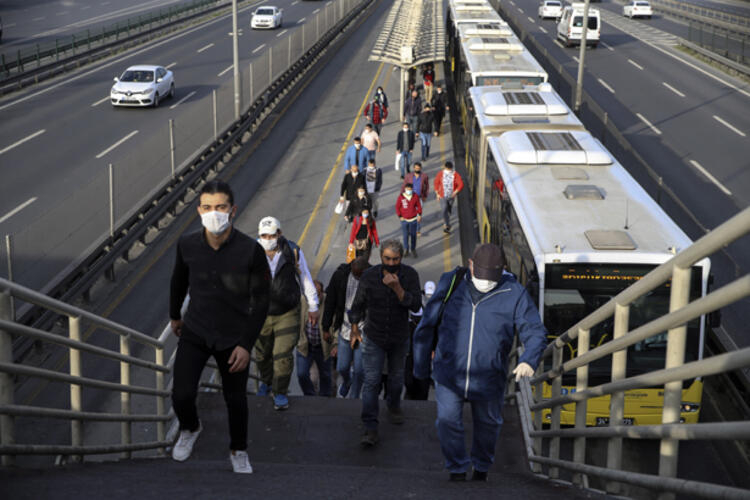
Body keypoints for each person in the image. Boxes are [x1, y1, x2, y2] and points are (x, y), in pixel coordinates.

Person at [413, 244, 547, 482]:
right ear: (470, 264)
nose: (485, 282)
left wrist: (529, 359)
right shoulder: (451, 282)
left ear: (502, 270)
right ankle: (456, 469)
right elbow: (427, 323)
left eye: (491, 278)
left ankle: (481, 467)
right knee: (447, 421)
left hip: (489, 375)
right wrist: (421, 367)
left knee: (488, 424)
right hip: (449, 372)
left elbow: (535, 331)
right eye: (481, 275)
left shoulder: (514, 292)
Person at [169, 180, 270, 474]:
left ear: (233, 210)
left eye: (221, 207)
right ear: (199, 210)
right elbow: (178, 282)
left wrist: (245, 345)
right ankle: (190, 428)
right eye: (208, 207)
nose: (214, 213)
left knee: (236, 401)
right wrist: (175, 316)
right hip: (196, 330)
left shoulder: (251, 251)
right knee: (181, 395)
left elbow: (261, 301)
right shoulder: (186, 245)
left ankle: (238, 450)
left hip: (232, 338)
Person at [349, 240, 422, 446]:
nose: (391, 263)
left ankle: (393, 404)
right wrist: (354, 328)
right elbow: (358, 305)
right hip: (375, 336)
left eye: (395, 259)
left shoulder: (410, 275)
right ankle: (370, 426)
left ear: (401, 259)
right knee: (371, 381)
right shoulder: (370, 277)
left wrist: (398, 288)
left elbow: (416, 304)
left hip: (399, 337)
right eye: (387, 259)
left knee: (396, 378)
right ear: (381, 258)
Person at [255, 216, 320, 411]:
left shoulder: (292, 251)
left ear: (280, 234)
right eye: (263, 235)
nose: (268, 239)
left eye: (271, 235)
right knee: (262, 354)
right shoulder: (252, 252)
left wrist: (313, 305)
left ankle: (280, 391)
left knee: (282, 354)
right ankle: (266, 382)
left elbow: (305, 277)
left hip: (288, 312)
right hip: (261, 312)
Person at [322, 257, 370, 399]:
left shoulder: (373, 278)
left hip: (363, 331)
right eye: (355, 274)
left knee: (360, 371)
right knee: (342, 366)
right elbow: (330, 301)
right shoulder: (340, 276)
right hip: (345, 329)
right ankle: (347, 381)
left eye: (359, 275)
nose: (357, 278)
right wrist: (326, 326)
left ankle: (353, 397)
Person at [296, 280, 336, 397]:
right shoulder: (303, 301)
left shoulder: (329, 301)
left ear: (322, 293)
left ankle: (324, 398)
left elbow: (335, 323)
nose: (314, 298)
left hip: (323, 347)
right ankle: (310, 395)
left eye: (317, 294)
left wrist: (335, 343)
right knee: (302, 374)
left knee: (325, 375)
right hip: (305, 345)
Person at [404, 280, 435, 401]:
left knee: (422, 378)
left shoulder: (436, 305)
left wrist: (434, 347)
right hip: (410, 346)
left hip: (424, 346)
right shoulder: (414, 303)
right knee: (409, 378)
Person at [434, 161, 464, 234]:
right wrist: (437, 193)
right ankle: (447, 225)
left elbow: (461, 184)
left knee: (449, 209)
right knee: (444, 209)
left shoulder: (455, 175)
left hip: (451, 196)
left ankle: (446, 220)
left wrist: (455, 192)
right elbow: (436, 183)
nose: (448, 171)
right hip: (442, 196)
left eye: (449, 169)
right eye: (447, 169)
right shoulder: (440, 174)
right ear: (445, 167)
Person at [401, 163, 429, 237]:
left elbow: (427, 186)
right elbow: (404, 186)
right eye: (416, 168)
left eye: (418, 168)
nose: (417, 169)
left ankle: (417, 230)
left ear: (420, 168)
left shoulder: (424, 176)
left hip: (419, 198)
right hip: (409, 198)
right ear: (413, 168)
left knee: (418, 214)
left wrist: (425, 195)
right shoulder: (408, 176)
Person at [395, 183, 422, 259]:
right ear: (405, 189)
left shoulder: (415, 196)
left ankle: (413, 249)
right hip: (404, 220)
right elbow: (397, 207)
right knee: (405, 235)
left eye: (410, 190)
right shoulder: (401, 197)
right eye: (407, 189)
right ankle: (406, 249)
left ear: (412, 189)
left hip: (413, 220)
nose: (408, 191)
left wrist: (419, 215)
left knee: (413, 235)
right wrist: (400, 216)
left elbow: (419, 206)